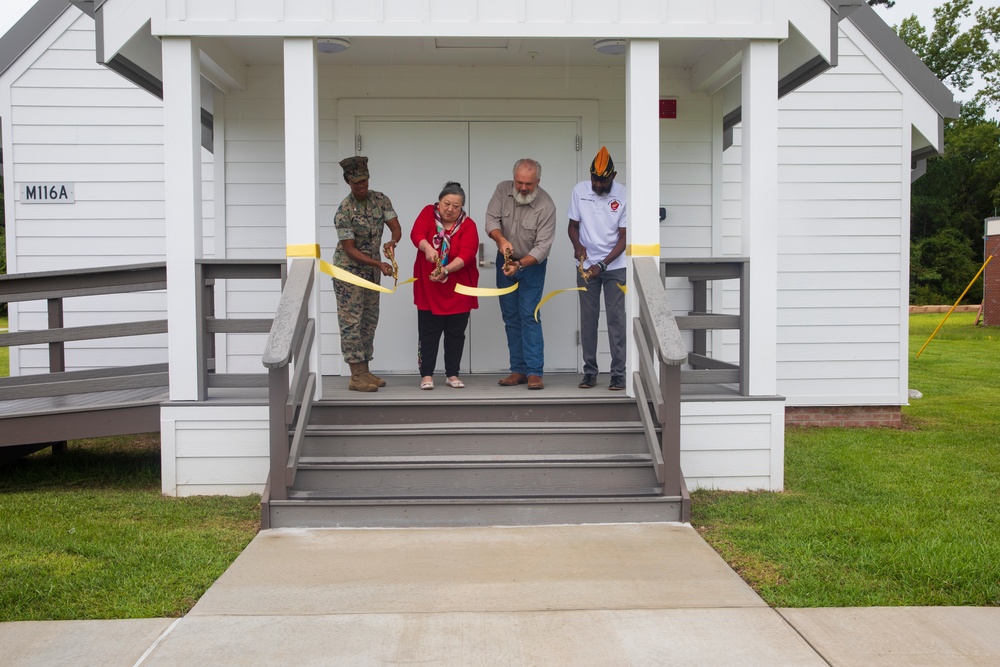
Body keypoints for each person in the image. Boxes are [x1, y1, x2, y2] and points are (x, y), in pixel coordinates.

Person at [484, 158, 557, 390]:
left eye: (529, 184)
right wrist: (501, 239)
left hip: (531, 266)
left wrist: (521, 265)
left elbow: (543, 247)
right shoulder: (501, 190)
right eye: (519, 182)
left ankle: (535, 372)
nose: (523, 188)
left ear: (538, 181)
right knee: (511, 317)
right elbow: (491, 219)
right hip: (504, 262)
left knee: (529, 315)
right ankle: (518, 370)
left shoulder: (547, 205)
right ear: (513, 178)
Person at [332, 155, 402, 392]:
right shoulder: (344, 211)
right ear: (347, 181)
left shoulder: (380, 200)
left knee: (369, 320)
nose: (362, 186)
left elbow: (395, 226)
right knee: (351, 322)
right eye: (356, 182)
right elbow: (349, 250)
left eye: (364, 181)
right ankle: (355, 374)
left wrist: (392, 241)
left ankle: (365, 369)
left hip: (372, 273)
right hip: (349, 274)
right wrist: (378, 264)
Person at [568, 146, 627, 391]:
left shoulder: (624, 194)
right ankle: (590, 372)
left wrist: (603, 264)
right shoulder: (579, 191)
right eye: (594, 179)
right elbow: (572, 226)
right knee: (589, 320)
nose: (598, 185)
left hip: (615, 266)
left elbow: (625, 238)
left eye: (603, 181)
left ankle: (617, 374)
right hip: (586, 267)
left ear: (613, 176)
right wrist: (577, 245)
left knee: (616, 320)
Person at [411, 182, 480, 390]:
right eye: (446, 203)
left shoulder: (468, 225)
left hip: (458, 287)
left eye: (456, 206)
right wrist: (427, 248)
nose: (450, 209)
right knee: (428, 332)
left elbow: (467, 254)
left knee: (456, 333)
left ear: (462, 207)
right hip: (429, 286)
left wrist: (447, 269)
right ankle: (426, 375)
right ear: (439, 202)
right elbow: (417, 235)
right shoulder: (427, 213)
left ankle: (452, 373)